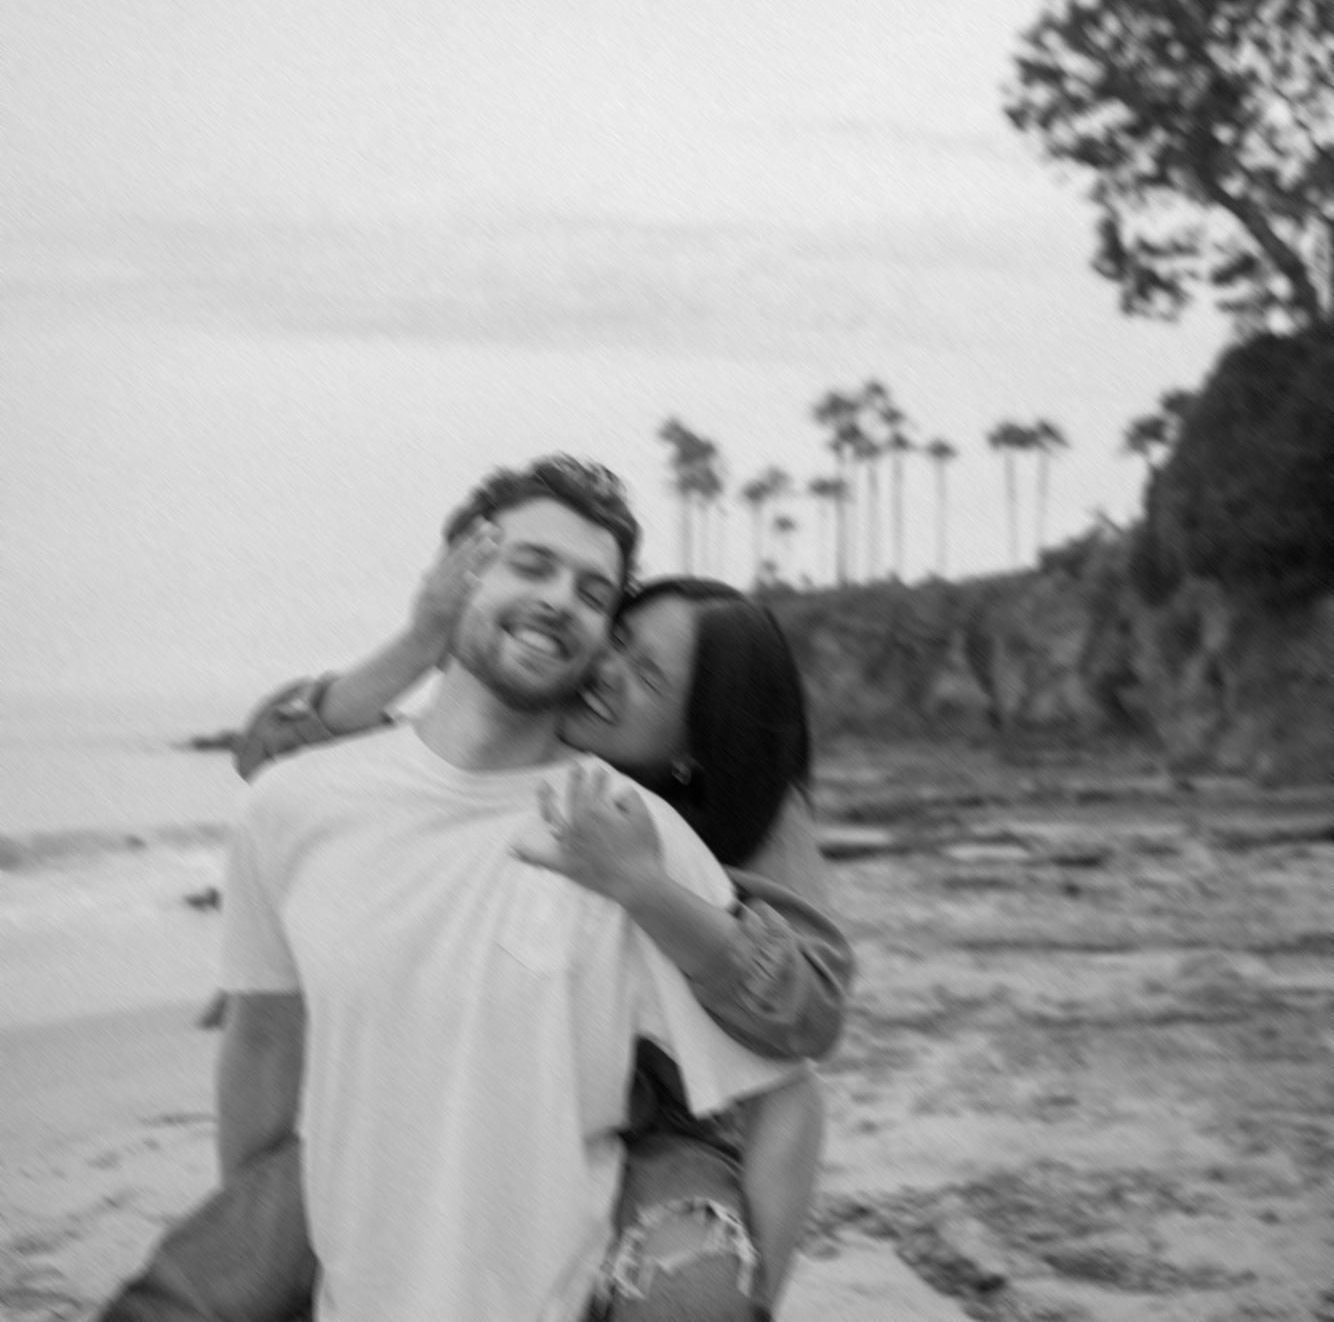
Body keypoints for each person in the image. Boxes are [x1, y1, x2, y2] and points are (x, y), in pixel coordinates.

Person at [101, 457, 851, 1322]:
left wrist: (645, 886)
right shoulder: (320, 796)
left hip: (661, 1137)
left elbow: (805, 1026)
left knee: (693, 1293)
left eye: (595, 598)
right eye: (531, 567)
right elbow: (283, 767)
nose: (596, 654)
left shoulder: (666, 831)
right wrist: (423, 636)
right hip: (396, 1160)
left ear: (694, 745)